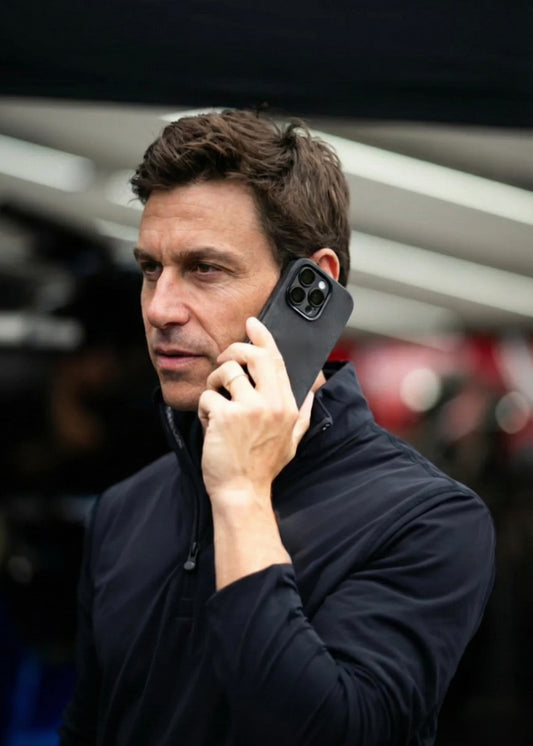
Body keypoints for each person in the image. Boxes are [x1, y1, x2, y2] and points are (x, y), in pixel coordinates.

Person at [59, 109, 495, 746]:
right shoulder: (126, 509)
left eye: (205, 268)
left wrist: (241, 496)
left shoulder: (427, 519)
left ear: (311, 289)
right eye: (151, 268)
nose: (160, 308)